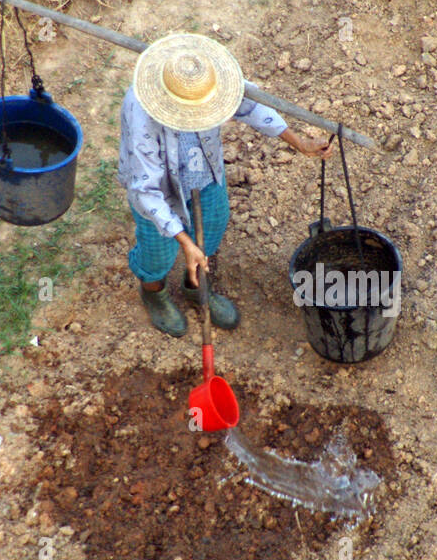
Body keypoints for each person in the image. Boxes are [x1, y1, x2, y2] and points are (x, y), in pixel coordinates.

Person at [118, 33, 331, 337]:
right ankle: (154, 293)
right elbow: (145, 190)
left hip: (206, 176)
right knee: (158, 253)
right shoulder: (141, 112)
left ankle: (195, 288)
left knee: (210, 235)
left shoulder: (211, 79)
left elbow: (251, 105)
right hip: (161, 190)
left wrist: (298, 141)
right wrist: (184, 242)